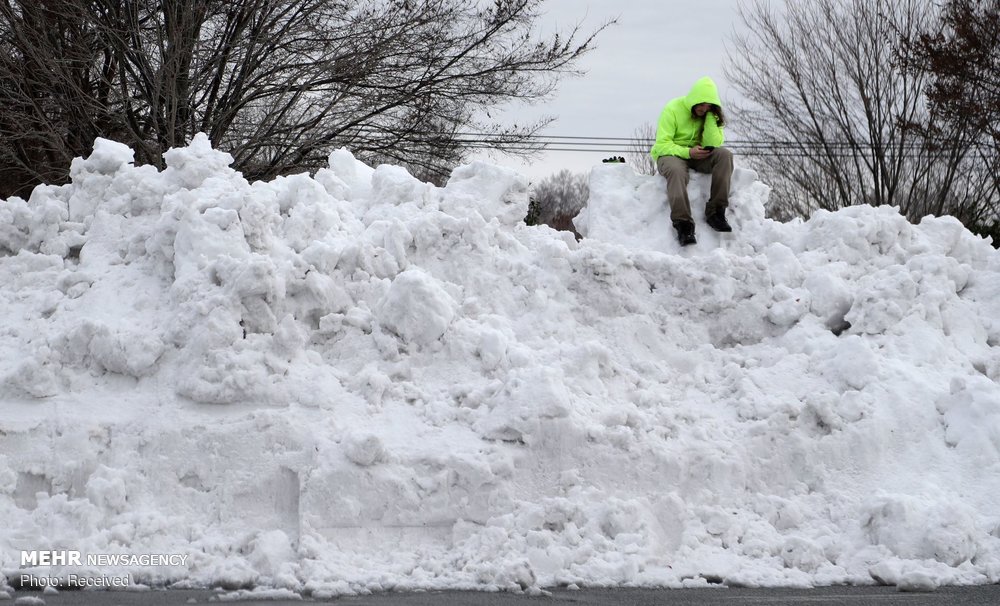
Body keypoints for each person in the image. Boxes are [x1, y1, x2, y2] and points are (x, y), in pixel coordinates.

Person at [650, 76, 733, 246]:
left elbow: (714, 143)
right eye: (701, 104)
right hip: (670, 154)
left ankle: (716, 212)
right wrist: (687, 152)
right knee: (677, 171)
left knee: (725, 155)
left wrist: (710, 118)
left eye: (708, 105)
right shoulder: (672, 108)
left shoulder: (710, 115)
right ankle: (684, 224)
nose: (704, 108)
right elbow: (662, 144)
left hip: (698, 155)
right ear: (694, 99)